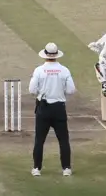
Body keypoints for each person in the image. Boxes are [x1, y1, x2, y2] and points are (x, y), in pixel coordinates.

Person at [29, 42, 76, 177]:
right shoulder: (64, 70)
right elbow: (71, 90)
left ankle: (37, 168)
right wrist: (60, 92)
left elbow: (32, 90)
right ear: (56, 55)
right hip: (59, 108)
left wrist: (41, 92)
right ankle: (66, 168)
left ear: (45, 55)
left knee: (39, 140)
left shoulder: (39, 70)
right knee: (63, 140)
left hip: (43, 107)